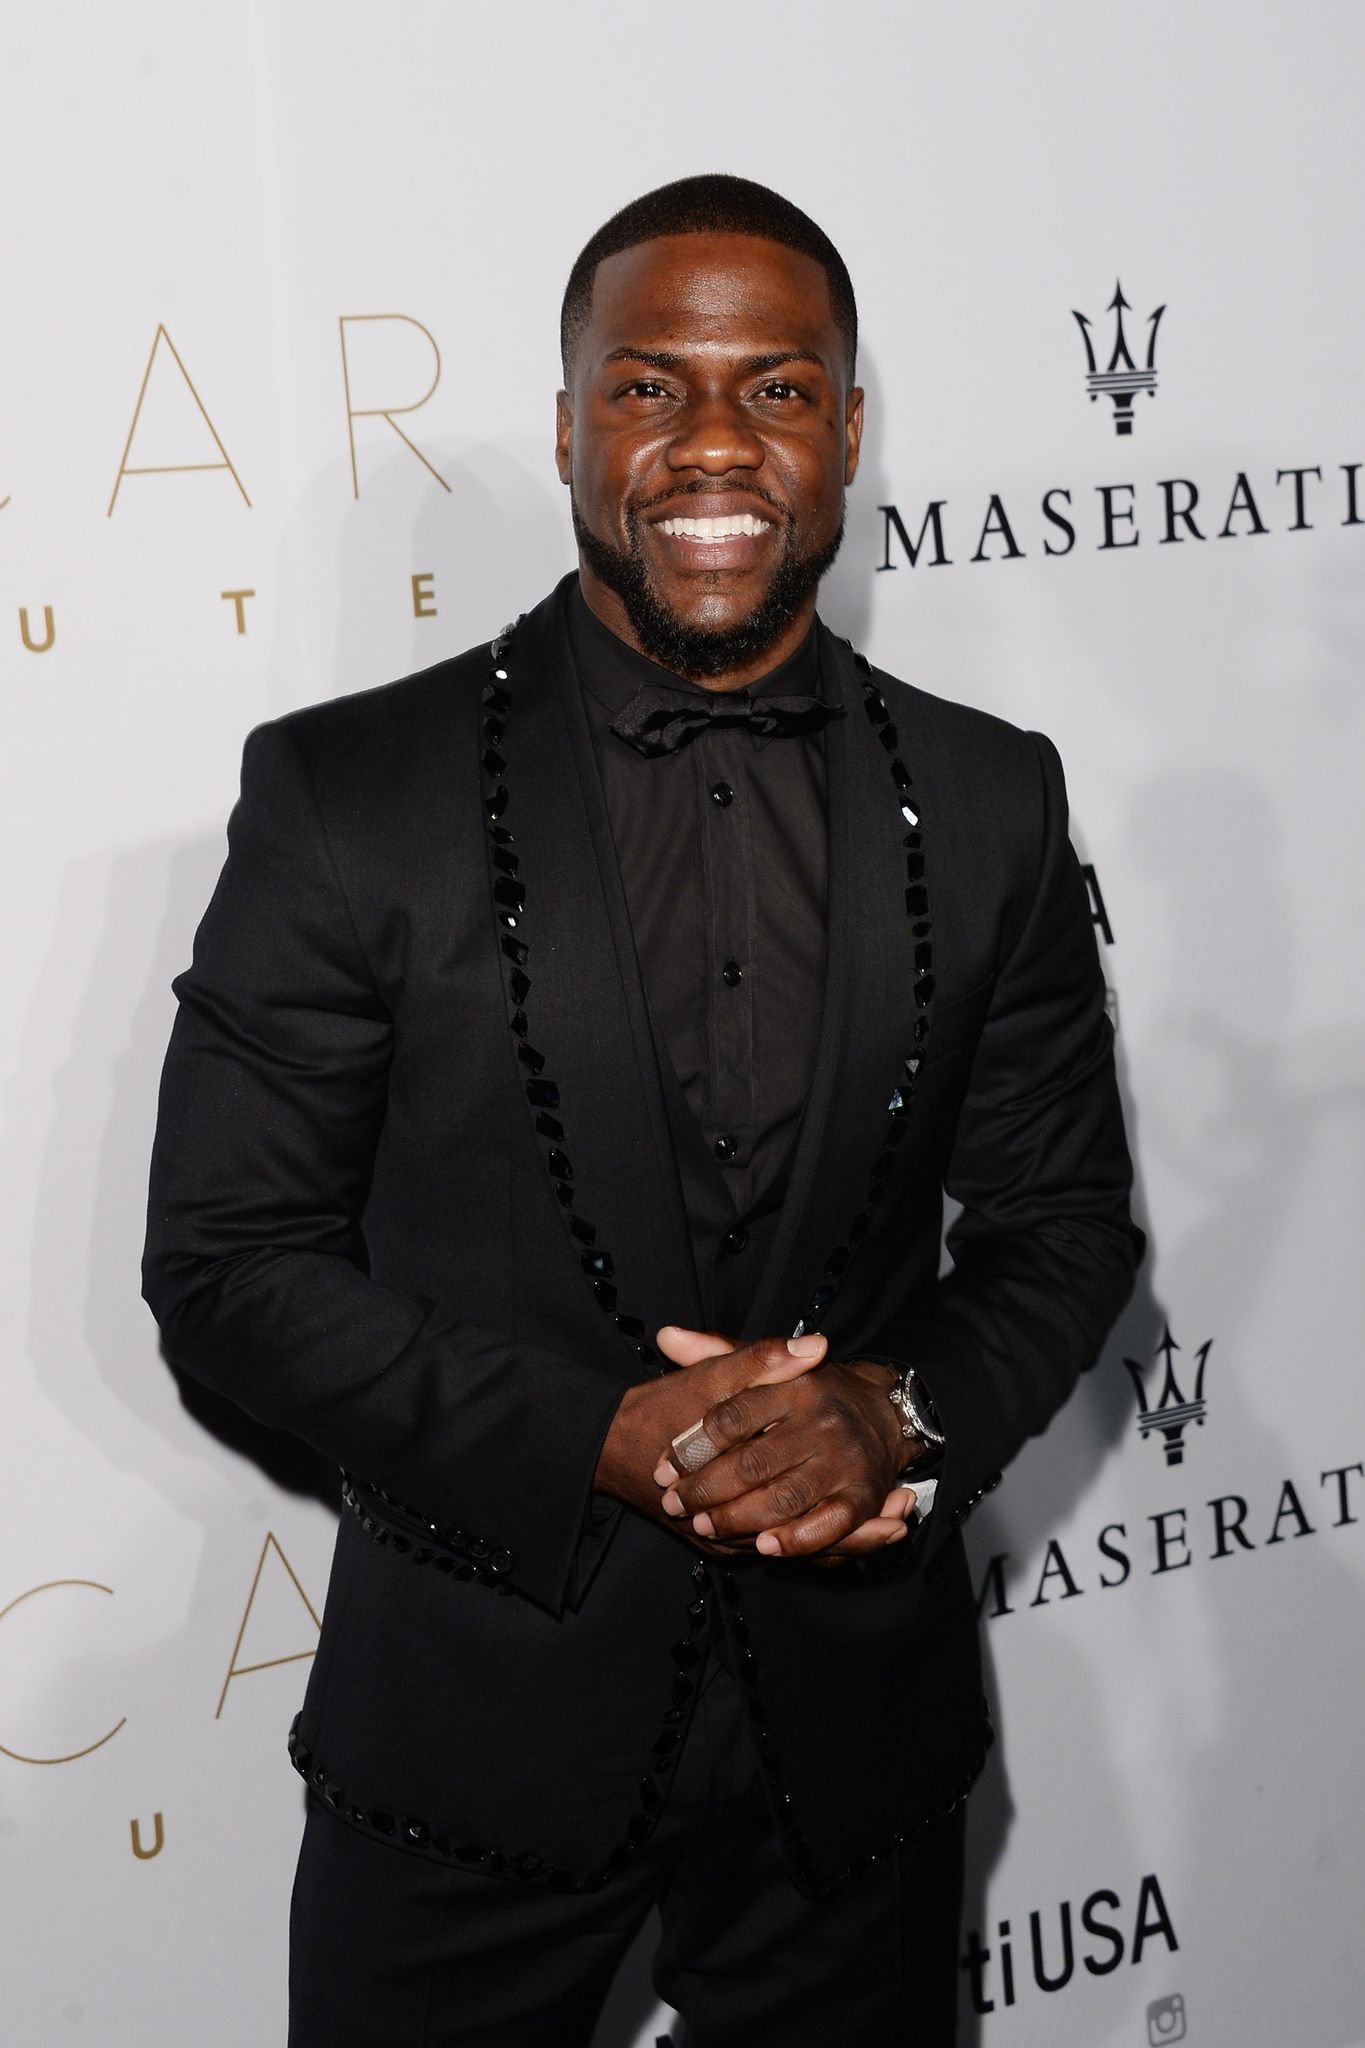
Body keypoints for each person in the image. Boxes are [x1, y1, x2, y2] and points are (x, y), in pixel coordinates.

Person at [142, 174, 1142, 2047]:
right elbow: (227, 1265)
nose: (709, 443)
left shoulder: (994, 794)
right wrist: (590, 1434)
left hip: (854, 1753)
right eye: (646, 386)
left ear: (848, 430)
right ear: (567, 423)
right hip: (467, 1743)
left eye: (774, 391)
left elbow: (1061, 1228)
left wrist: (892, 1412)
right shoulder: (351, 792)